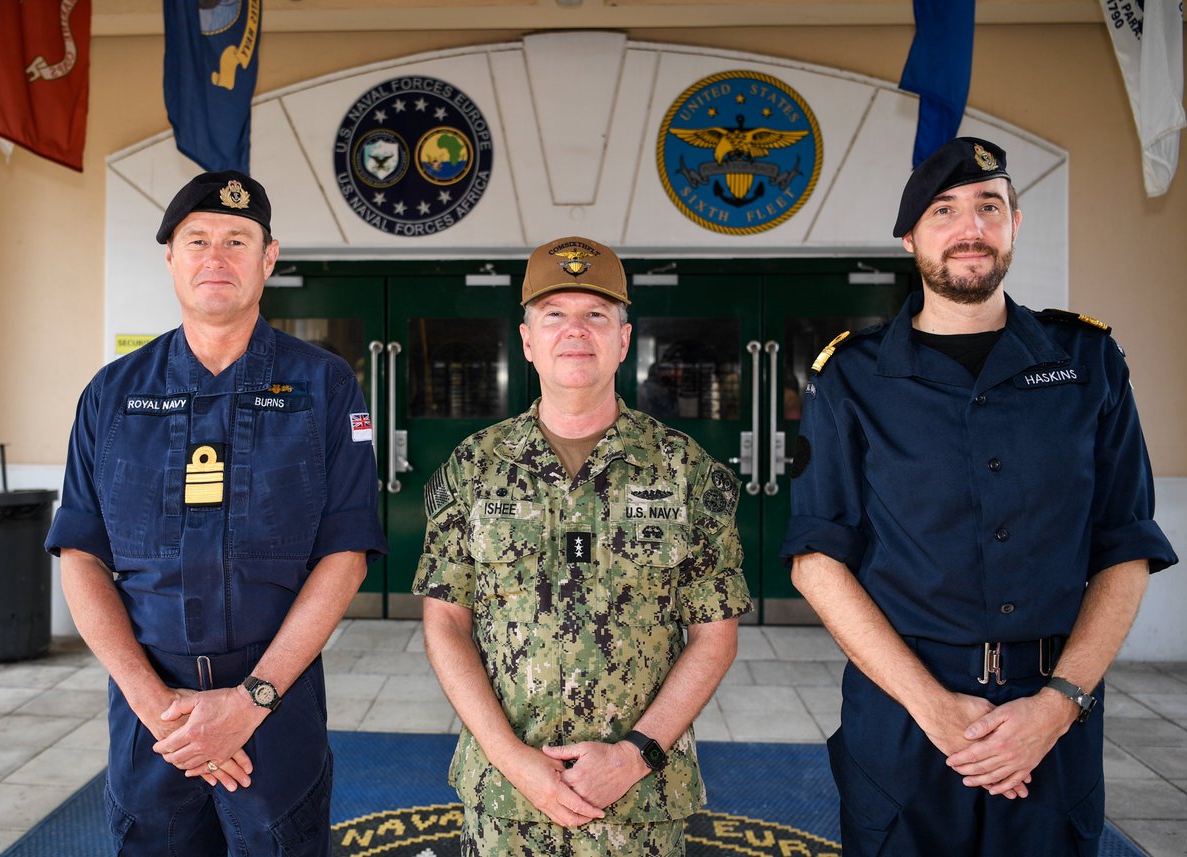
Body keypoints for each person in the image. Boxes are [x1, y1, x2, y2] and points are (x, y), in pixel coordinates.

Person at [780, 136, 1178, 857]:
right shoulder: (850, 379)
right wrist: (932, 707)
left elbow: (1125, 545)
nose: (971, 228)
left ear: (1015, 226)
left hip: (1054, 709)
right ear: (911, 238)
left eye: (989, 207)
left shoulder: (1087, 362)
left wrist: (1058, 704)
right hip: (905, 715)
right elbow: (816, 557)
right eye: (944, 211)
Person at [45, 170, 389, 856]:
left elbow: (345, 553)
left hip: (277, 704)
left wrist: (249, 701)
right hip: (151, 715)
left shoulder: (325, 386)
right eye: (196, 239)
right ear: (171, 257)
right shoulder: (111, 396)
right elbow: (81, 553)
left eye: (238, 239)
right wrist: (157, 707)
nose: (215, 255)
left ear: (269, 258)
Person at [413, 235, 751, 855]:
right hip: (506, 804)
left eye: (596, 314)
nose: (576, 330)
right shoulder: (474, 467)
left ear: (623, 340)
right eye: (554, 314)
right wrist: (513, 760)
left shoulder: (685, 471)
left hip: (640, 804)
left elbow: (715, 635)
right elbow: (445, 626)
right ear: (527, 340)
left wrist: (633, 756)